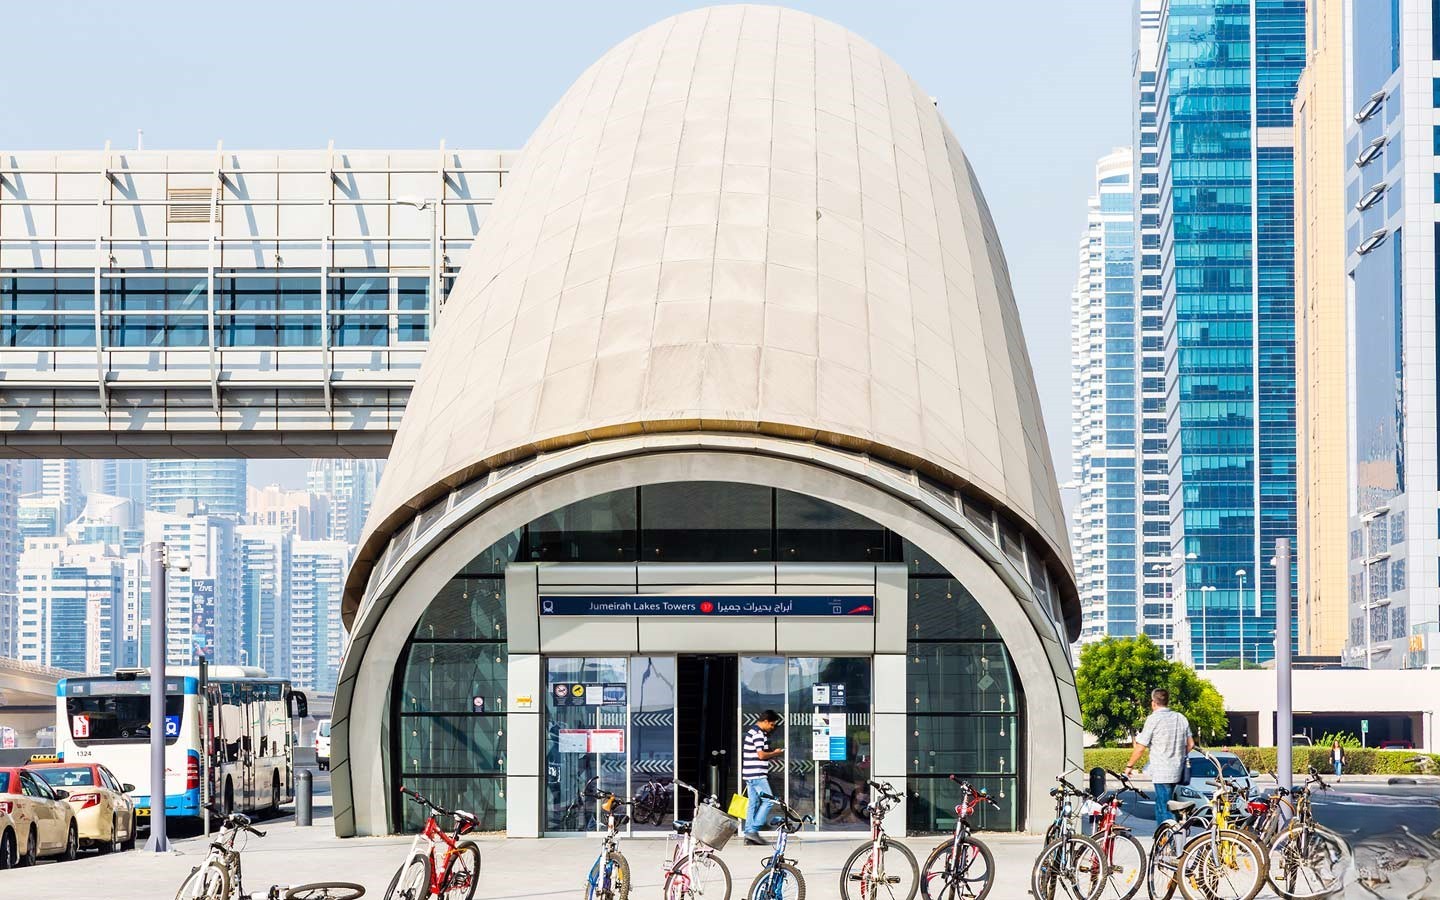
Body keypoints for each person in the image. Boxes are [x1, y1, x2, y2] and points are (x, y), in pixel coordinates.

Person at [1123, 688, 1194, 827]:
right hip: (1178, 770)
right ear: (1167, 701)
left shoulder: (1153, 719)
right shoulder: (1181, 718)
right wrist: (1178, 755)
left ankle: (1168, 840)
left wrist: (1129, 766)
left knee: (1163, 807)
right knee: (1167, 804)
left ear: (1153, 702)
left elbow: (1141, 747)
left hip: (1161, 771)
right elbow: (1190, 744)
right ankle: (1165, 839)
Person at [741, 710, 785, 845]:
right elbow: (761, 755)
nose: (772, 727)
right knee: (768, 801)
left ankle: (749, 833)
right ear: (765, 721)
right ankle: (753, 830)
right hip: (757, 774)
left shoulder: (753, 732)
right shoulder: (758, 734)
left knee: (753, 804)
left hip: (750, 774)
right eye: (772, 725)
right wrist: (775, 753)